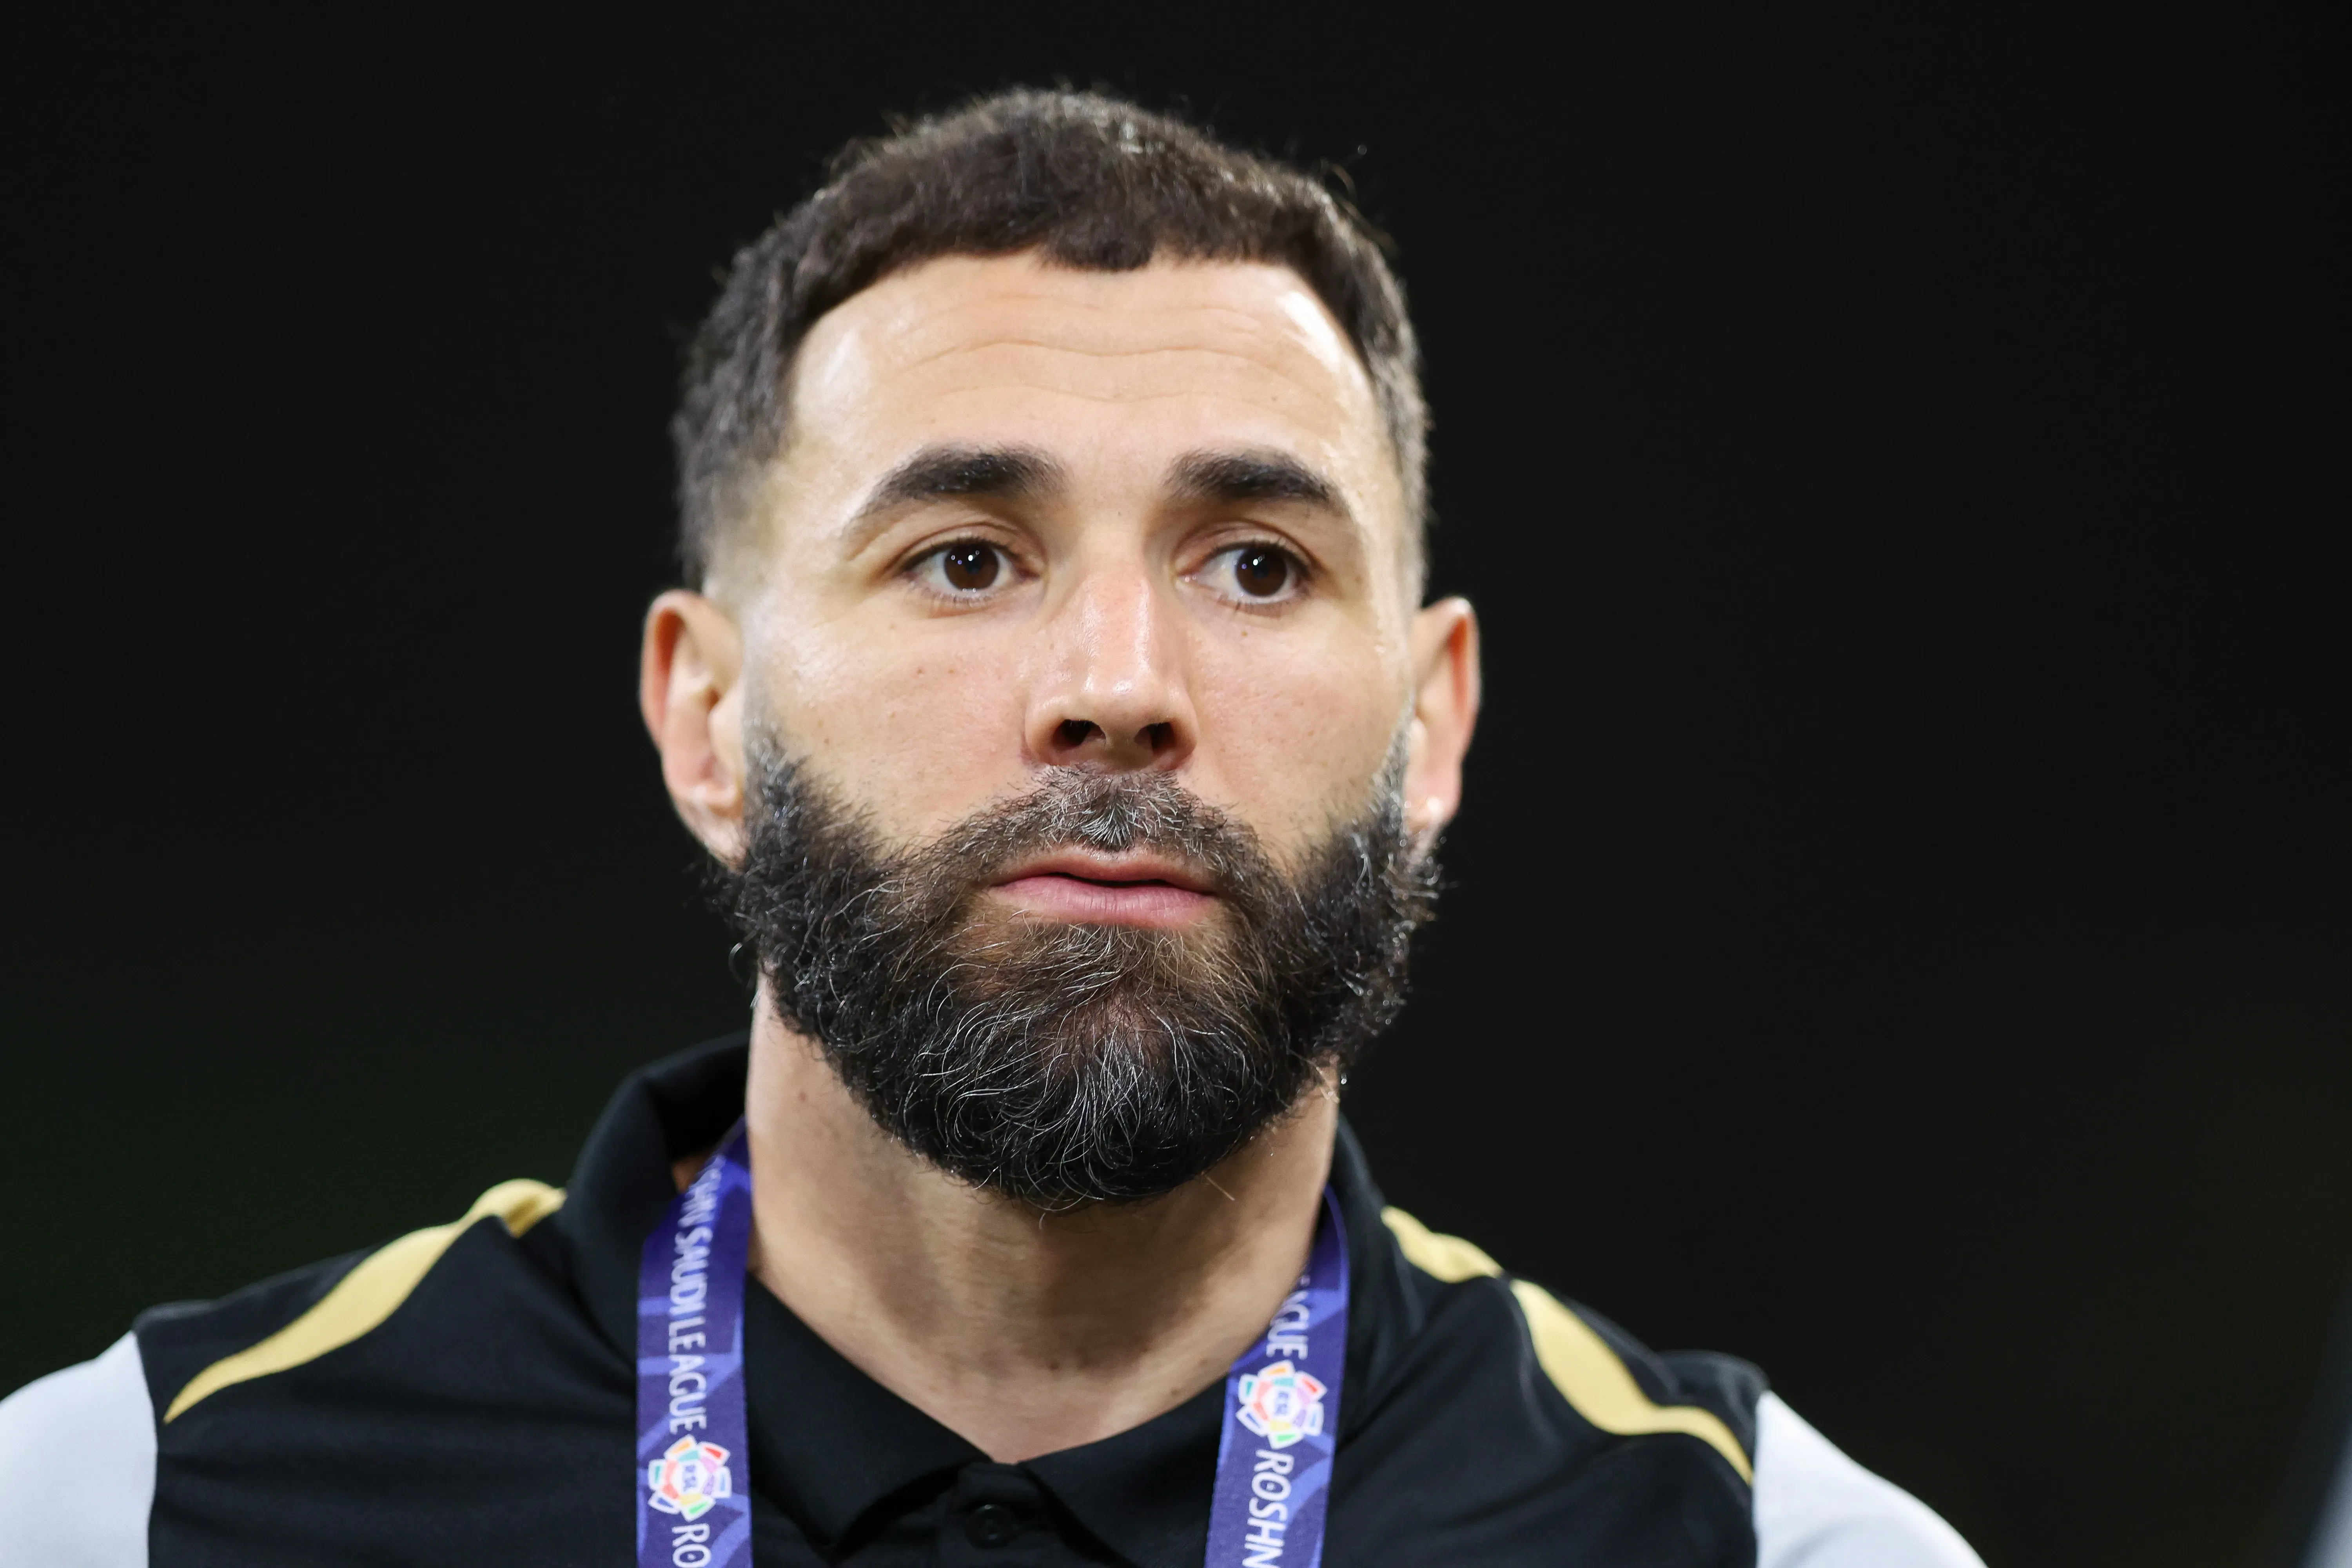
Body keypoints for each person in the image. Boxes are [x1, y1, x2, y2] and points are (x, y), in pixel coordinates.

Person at [0, 89, 1984, 1566]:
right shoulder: (128, 1504)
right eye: (966, 557)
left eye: (1259, 564)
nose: (1117, 678)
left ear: (1433, 719)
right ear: (708, 712)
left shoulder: (1761, 1545)